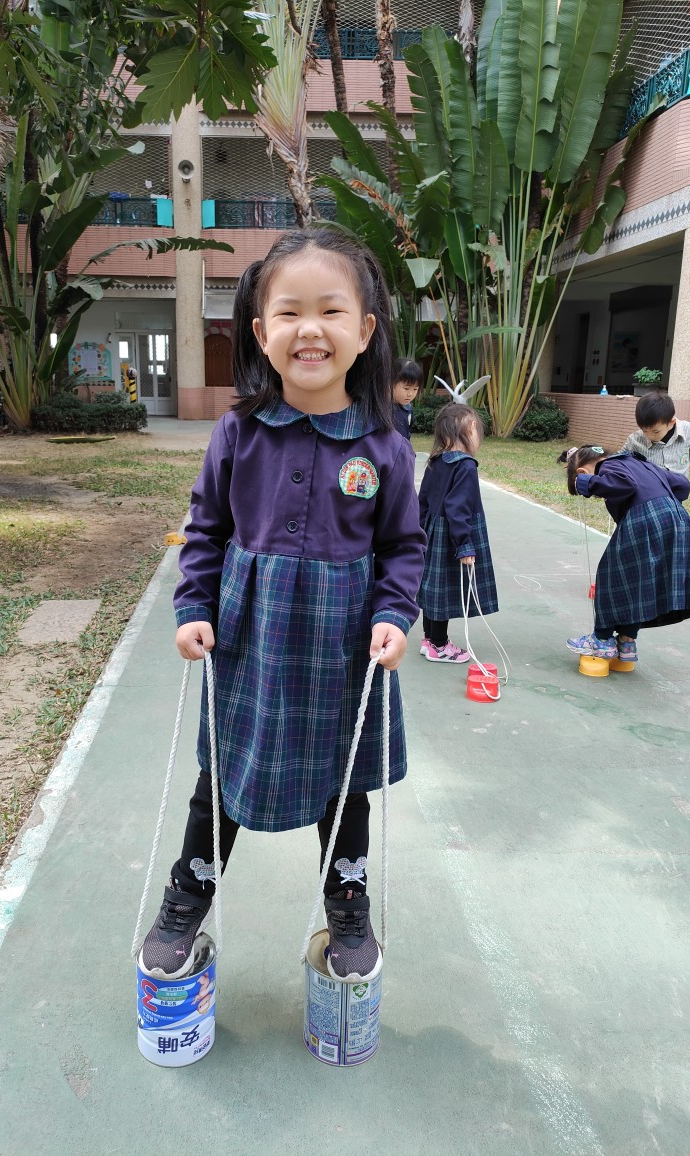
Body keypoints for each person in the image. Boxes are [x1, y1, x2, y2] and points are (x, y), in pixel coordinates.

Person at [139, 230, 426, 985]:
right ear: (261, 331)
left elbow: (403, 547)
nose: (310, 329)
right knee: (223, 777)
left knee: (345, 781)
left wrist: (394, 616)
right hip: (249, 639)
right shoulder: (236, 431)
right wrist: (193, 606)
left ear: (365, 330)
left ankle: (348, 902)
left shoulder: (386, 446)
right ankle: (186, 897)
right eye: (289, 312)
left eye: (331, 310)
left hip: (344, 647)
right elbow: (206, 529)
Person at [565, 445, 690, 662]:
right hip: (677, 520)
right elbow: (682, 485)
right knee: (640, 582)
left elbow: (626, 484)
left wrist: (587, 483)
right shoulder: (641, 464)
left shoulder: (608, 465)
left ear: (583, 471)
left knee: (612, 576)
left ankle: (602, 640)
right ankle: (627, 641)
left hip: (644, 518)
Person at [417, 403, 498, 663]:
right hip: (453, 536)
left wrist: (419, 532)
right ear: (471, 428)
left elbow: (422, 500)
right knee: (444, 590)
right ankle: (439, 645)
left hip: (433, 532)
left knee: (433, 587)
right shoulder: (465, 466)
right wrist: (464, 545)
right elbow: (457, 507)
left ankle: (430, 639)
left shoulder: (436, 461)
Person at [619, 393, 690, 487]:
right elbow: (619, 460)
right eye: (644, 431)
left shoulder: (688, 431)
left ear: (671, 422)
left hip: (678, 490)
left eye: (656, 431)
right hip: (650, 491)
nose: (649, 435)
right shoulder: (635, 440)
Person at [391, 358, 422, 440]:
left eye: (415, 389)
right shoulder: (382, 410)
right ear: (391, 383)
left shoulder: (408, 408)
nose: (410, 394)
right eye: (406, 388)